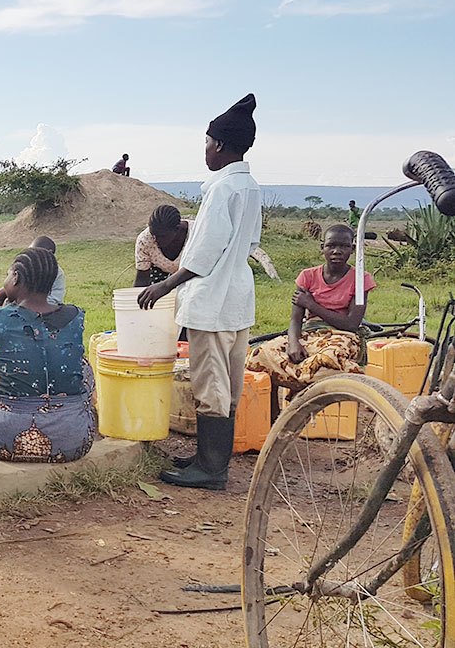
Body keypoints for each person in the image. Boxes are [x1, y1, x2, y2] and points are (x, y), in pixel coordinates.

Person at [138, 94, 262, 490]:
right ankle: (209, 458)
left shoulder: (221, 190)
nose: (205, 151)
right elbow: (248, 242)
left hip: (212, 301)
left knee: (210, 383)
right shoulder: (251, 187)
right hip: (237, 299)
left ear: (220, 145)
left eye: (207, 143)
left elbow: (204, 252)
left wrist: (165, 284)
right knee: (229, 382)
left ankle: (210, 470)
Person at [0, 247, 95, 461]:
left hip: (4, 441)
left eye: (8, 273)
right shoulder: (74, 316)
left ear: (15, 278)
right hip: (75, 441)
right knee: (82, 363)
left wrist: (0, 294)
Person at [246, 224, 373, 401]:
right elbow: (295, 320)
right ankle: (273, 412)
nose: (337, 251)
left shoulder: (361, 279)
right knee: (260, 354)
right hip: (310, 333)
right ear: (322, 248)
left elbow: (351, 324)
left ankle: (301, 394)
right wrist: (293, 342)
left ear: (352, 249)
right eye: (331, 245)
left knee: (329, 358)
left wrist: (312, 305)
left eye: (343, 246)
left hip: (342, 335)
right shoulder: (308, 276)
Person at [0, 235, 65, 306]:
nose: (29, 256)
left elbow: (56, 298)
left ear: (49, 253)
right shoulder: (24, 267)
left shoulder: (57, 273)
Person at [134, 205, 190, 287]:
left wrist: (166, 286)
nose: (155, 240)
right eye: (153, 234)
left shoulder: (196, 235)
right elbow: (142, 279)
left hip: (193, 277)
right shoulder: (145, 241)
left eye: (161, 236)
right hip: (161, 276)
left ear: (177, 229)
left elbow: (201, 267)